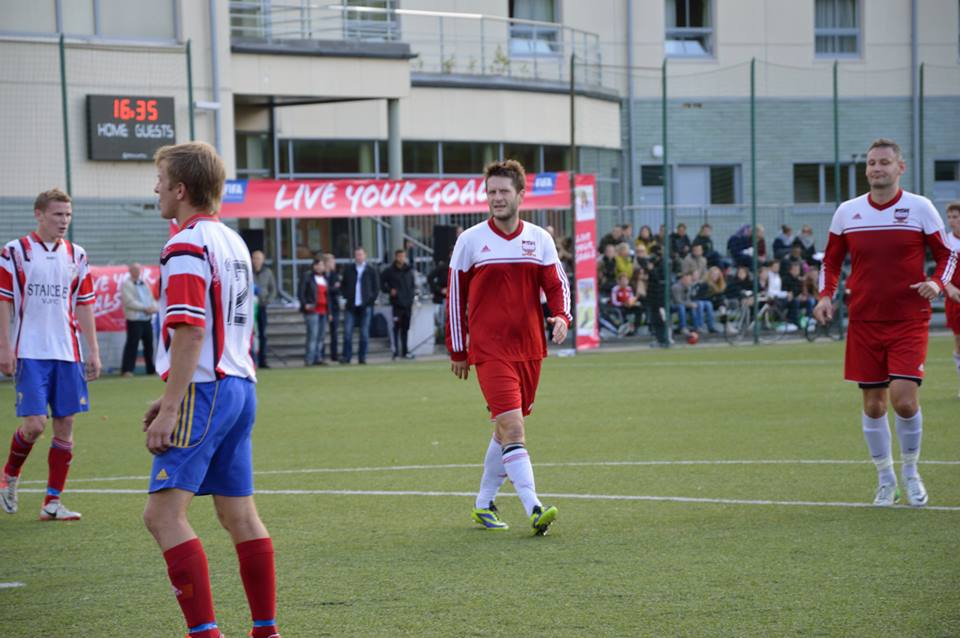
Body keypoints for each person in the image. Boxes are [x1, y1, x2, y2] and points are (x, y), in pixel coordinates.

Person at [142, 142, 279, 638]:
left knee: (162, 515)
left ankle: (205, 633)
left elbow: (190, 330)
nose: (155, 188)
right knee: (238, 513)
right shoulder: (233, 241)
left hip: (207, 390)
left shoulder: (184, 244)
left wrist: (170, 407)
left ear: (181, 189)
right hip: (240, 387)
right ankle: (266, 630)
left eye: (160, 180)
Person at [814, 138, 960, 508]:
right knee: (874, 406)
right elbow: (830, 262)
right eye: (871, 163)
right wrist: (825, 296)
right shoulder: (847, 212)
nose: (876, 168)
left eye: (884, 162)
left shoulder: (920, 208)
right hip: (864, 320)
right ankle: (886, 479)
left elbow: (947, 254)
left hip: (909, 318)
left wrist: (935, 283)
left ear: (900, 168)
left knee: (905, 401)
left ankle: (911, 473)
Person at [446, 159, 571, 536]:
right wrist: (458, 348)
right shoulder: (470, 240)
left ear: (520, 194)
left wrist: (562, 315)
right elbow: (455, 295)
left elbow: (555, 284)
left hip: (530, 348)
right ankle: (534, 508)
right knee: (514, 429)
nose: (496, 198)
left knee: (504, 430)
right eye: (491, 192)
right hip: (489, 350)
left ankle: (484, 504)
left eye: (503, 191)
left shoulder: (540, 238)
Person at [0, 187, 101, 521]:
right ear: (39, 214)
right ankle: (9, 475)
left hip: (67, 352)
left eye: (68, 215)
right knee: (34, 425)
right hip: (30, 350)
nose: (64, 221)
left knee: (65, 423)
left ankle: (52, 503)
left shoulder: (77, 254)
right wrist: (4, 346)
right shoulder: (14, 252)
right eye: (58, 214)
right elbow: (3, 302)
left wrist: (93, 351)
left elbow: (84, 305)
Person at [340, 246, 379, 365]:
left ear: (365, 255)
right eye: (357, 255)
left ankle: (362, 357)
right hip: (351, 305)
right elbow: (343, 285)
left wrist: (370, 301)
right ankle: (347, 356)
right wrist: (346, 296)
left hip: (365, 305)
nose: (359, 257)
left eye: (361, 254)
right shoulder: (349, 270)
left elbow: (376, 288)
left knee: (364, 332)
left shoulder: (371, 270)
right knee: (347, 332)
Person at [121, 262, 159, 377]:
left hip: (146, 319)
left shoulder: (144, 283)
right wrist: (145, 308)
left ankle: (150, 369)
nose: (137, 272)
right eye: (135, 270)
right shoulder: (127, 284)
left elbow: (151, 298)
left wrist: (153, 307)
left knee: (149, 345)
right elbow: (129, 301)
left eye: (139, 270)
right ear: (130, 271)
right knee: (132, 344)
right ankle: (127, 370)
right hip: (134, 319)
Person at [381, 248, 416, 360]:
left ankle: (405, 351)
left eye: (403, 256)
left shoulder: (409, 270)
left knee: (405, 328)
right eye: (399, 256)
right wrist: (389, 290)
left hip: (407, 304)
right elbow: (381, 283)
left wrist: (411, 297)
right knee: (396, 328)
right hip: (397, 304)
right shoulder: (389, 271)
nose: (401, 258)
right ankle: (395, 352)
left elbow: (412, 286)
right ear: (396, 257)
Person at [298, 257, 328, 366]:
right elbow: (301, 291)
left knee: (321, 336)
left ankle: (318, 357)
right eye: (318, 265)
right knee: (313, 336)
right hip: (312, 310)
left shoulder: (325, 278)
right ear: (314, 266)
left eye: (322, 265)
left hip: (323, 310)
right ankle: (309, 359)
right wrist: (305, 304)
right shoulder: (308, 277)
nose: (320, 267)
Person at [251, 250, 276, 369]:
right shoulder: (247, 271)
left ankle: (263, 360)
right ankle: (251, 360)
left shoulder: (268, 272)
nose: (256, 260)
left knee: (263, 334)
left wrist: (267, 300)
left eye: (259, 258)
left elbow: (273, 289)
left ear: (263, 259)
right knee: (251, 334)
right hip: (250, 308)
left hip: (262, 307)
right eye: (255, 258)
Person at [945, 201, 960, 397]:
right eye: (949, 217)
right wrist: (948, 287)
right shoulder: (946, 241)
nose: (951, 221)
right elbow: (942, 272)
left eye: (955, 217)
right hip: (955, 298)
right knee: (958, 340)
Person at [323, 253, 341, 363]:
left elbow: (338, 290)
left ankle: (334, 355)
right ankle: (319, 354)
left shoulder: (335, 275)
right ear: (326, 263)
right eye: (332, 261)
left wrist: (330, 289)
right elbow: (323, 290)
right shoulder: (321, 275)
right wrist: (332, 288)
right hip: (323, 306)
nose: (334, 264)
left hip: (334, 306)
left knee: (334, 331)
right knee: (321, 333)